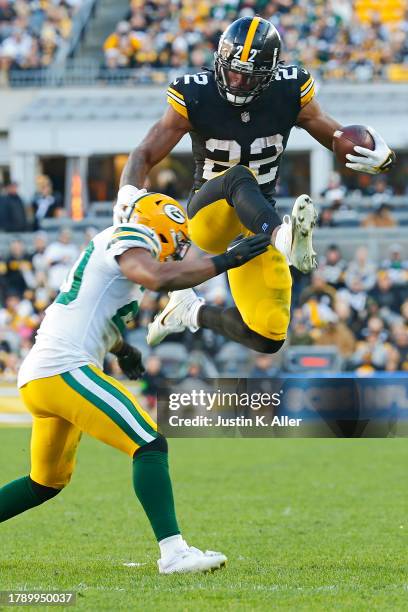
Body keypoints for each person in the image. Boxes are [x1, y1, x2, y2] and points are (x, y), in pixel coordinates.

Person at [0, 191, 270, 574]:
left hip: (42, 376)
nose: (178, 247)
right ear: (159, 227)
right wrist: (227, 260)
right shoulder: (131, 236)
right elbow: (156, 277)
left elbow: (94, 314)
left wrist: (124, 350)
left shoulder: (112, 248)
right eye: (176, 237)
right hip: (64, 369)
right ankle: (174, 553)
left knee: (45, 482)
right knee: (148, 443)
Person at [116, 16, 395, 354]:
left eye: (248, 76)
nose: (236, 80)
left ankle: (191, 312)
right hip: (210, 215)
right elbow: (144, 152)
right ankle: (285, 239)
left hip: (258, 221)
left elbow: (334, 134)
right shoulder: (195, 93)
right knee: (238, 175)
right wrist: (127, 195)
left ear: (269, 75)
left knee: (268, 335)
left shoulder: (289, 89)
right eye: (232, 70)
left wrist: (375, 155)